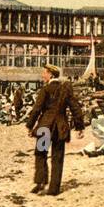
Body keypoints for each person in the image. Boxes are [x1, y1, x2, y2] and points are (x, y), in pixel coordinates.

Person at [25, 63, 85, 196]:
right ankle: (54, 189)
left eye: (44, 73)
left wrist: (30, 125)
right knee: (57, 157)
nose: (42, 75)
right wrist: (79, 127)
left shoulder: (45, 90)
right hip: (60, 128)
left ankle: (40, 182)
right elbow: (75, 107)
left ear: (51, 74)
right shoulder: (65, 89)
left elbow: (37, 109)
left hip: (45, 128)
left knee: (41, 153)